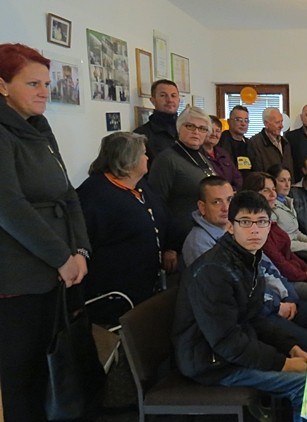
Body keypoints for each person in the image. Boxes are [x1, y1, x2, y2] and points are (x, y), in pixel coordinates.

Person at [0, 43, 90, 421]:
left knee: (52, 369)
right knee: (22, 376)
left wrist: (80, 251)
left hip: (56, 269)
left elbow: (67, 193)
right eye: (33, 83)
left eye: (47, 84)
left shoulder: (39, 126)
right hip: (19, 275)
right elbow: (9, 207)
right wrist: (61, 256)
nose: (44, 92)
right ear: (3, 86)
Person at [172, 191, 307, 422]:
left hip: (230, 351)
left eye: (261, 222)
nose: (254, 230)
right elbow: (226, 341)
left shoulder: (247, 259)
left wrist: (290, 347)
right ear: (230, 227)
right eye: (245, 222)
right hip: (210, 363)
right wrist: (283, 363)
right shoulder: (214, 271)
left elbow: (255, 317)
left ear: (269, 226)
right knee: (305, 384)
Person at [181, 176, 307, 351]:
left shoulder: (241, 234)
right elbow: (236, 316)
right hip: (250, 323)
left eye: (229, 200)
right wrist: (277, 306)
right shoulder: (201, 248)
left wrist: (287, 296)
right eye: (216, 202)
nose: (225, 208)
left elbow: (268, 268)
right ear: (202, 207)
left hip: (269, 307)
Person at [77, 132, 176, 325]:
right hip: (115, 294)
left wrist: (169, 246)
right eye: (143, 153)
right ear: (128, 158)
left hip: (147, 286)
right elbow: (84, 241)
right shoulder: (94, 194)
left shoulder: (141, 186)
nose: (147, 158)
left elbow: (163, 218)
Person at [244, 172, 307, 307]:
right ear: (252, 194)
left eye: (273, 189)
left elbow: (288, 252)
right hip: (287, 282)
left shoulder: (270, 222)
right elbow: (279, 262)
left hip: (297, 273)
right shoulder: (257, 230)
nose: (273, 195)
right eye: (266, 191)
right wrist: (304, 276)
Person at [149, 106, 217, 247]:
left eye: (202, 128)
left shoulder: (202, 156)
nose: (196, 132)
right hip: (180, 237)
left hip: (205, 233)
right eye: (190, 126)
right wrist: (168, 246)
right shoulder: (167, 159)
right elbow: (157, 204)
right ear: (179, 127)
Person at [267, 164, 307, 253]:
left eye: (289, 180)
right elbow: (279, 243)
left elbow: (295, 233)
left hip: (299, 246)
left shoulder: (288, 201)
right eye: (282, 181)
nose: (287, 185)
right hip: (289, 251)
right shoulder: (271, 207)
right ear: (272, 183)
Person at [133, 79, 179, 162]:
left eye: (173, 95)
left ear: (179, 100)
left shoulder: (188, 129)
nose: (170, 100)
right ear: (153, 100)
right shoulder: (140, 135)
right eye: (163, 95)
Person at [249, 107, 294, 178]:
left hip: (286, 183)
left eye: (281, 121)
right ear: (266, 124)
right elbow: (258, 172)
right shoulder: (255, 143)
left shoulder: (285, 142)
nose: (281, 126)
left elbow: (290, 168)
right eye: (277, 122)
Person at [205, 115, 242, 191]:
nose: (214, 134)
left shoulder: (223, 153)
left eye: (218, 131)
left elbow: (237, 178)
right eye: (210, 130)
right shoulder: (198, 155)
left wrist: (231, 190)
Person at [217, 104, 254, 179]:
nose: (243, 124)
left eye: (246, 120)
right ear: (229, 122)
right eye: (239, 120)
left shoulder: (249, 143)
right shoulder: (220, 141)